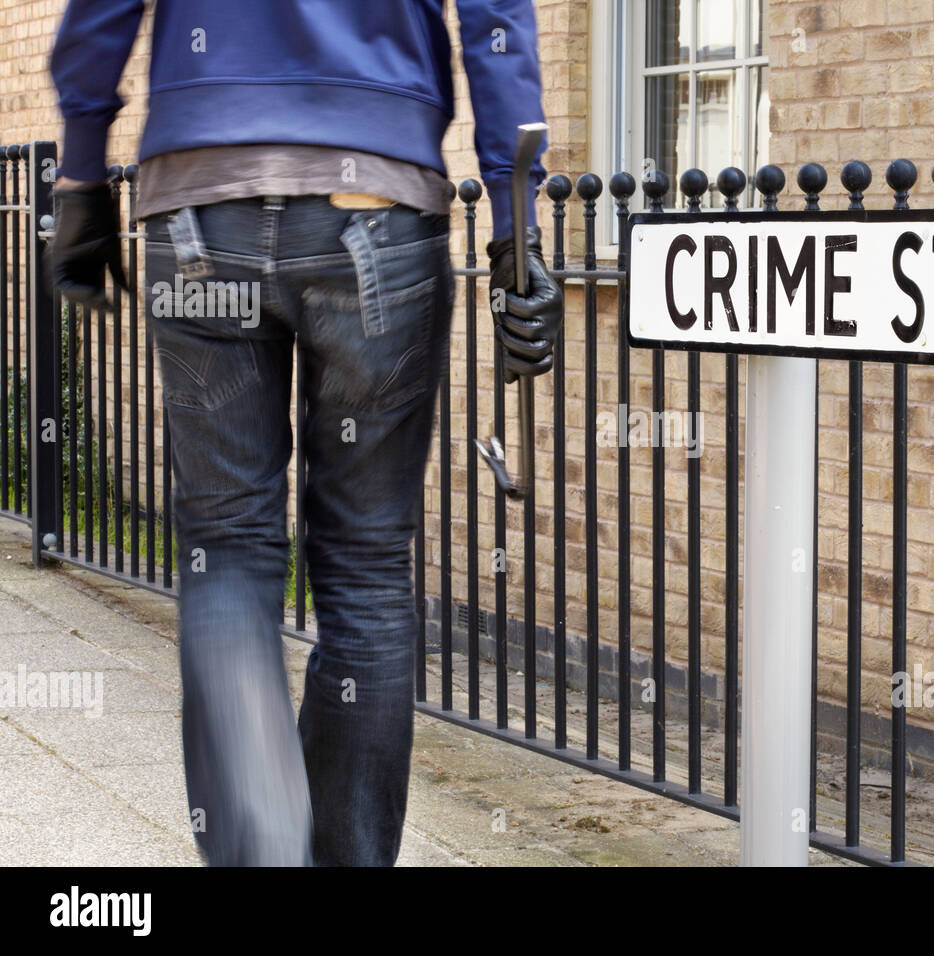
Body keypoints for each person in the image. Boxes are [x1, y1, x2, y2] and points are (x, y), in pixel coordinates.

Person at [47, 0, 562, 866]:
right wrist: (515, 230)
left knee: (228, 546)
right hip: (377, 197)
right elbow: (495, 16)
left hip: (201, 203)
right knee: (363, 561)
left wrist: (82, 172)